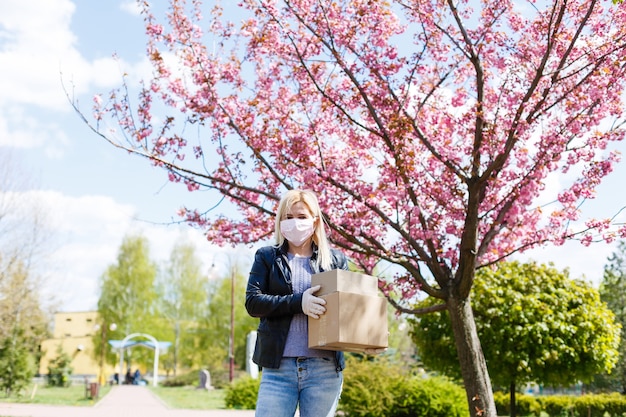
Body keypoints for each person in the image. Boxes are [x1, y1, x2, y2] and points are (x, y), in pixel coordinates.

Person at [245, 189, 349, 417]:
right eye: (288, 217)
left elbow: (348, 311)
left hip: (324, 369)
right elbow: (253, 302)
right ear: (280, 221)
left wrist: (367, 339)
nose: (295, 223)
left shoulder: (335, 261)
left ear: (315, 221)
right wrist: (298, 303)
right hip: (278, 368)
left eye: (301, 217)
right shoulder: (267, 257)